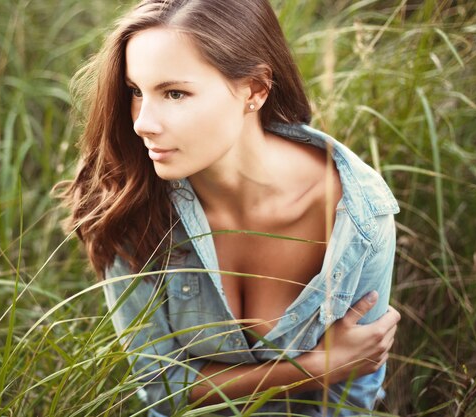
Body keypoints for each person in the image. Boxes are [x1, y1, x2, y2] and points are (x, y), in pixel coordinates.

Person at [54, 0, 401, 415]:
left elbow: (353, 393)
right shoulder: (129, 196)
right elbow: (160, 386)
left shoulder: (358, 212)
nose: (142, 122)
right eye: (135, 92)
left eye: (175, 93)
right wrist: (318, 367)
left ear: (254, 89)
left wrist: (338, 369)